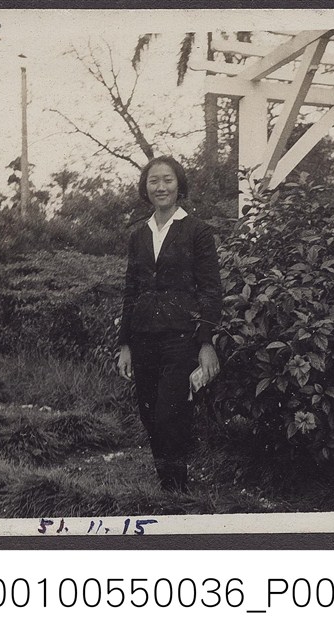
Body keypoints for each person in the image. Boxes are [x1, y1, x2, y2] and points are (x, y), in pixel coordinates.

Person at [117, 156, 222, 492]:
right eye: (153, 181)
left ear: (179, 185)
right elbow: (131, 290)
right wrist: (125, 344)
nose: (160, 187)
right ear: (145, 187)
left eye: (167, 180)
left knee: (170, 413)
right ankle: (169, 486)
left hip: (182, 338)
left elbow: (210, 290)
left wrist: (206, 342)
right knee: (149, 414)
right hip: (143, 338)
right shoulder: (138, 234)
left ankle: (176, 490)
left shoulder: (197, 231)